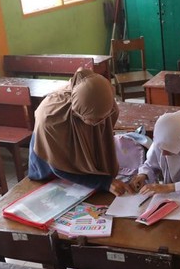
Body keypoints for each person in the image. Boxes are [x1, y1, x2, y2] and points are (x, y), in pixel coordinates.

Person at [28, 68, 132, 196]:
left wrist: (104, 177)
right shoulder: (51, 119)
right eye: (94, 120)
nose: (102, 123)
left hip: (84, 176)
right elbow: (59, 165)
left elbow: (103, 141)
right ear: (77, 113)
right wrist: (103, 182)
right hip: (49, 171)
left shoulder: (106, 102)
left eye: (104, 118)